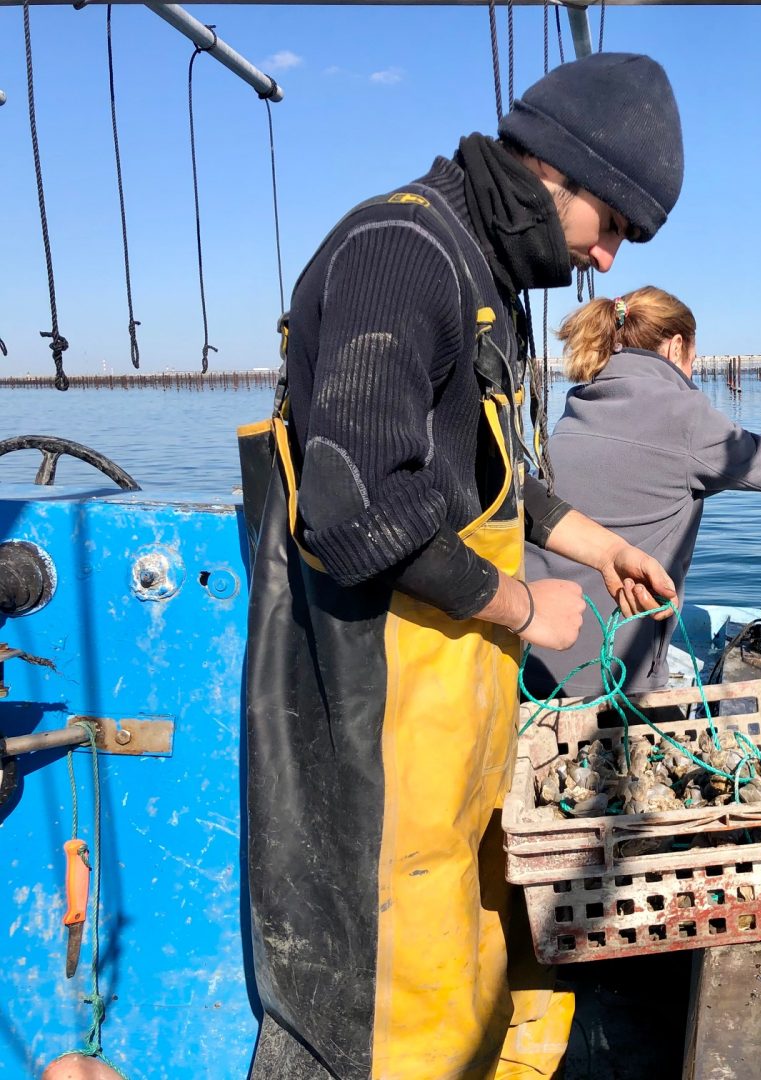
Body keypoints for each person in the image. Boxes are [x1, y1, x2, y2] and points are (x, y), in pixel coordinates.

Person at [241, 54, 683, 1080]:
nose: (608, 263)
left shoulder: (481, 274)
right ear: (555, 172)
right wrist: (527, 606)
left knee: (472, 986)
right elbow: (354, 518)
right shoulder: (399, 250)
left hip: (453, 733)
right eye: (611, 224)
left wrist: (599, 546)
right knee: (374, 1012)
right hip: (371, 739)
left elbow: (492, 480)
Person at [523, 286, 761, 699]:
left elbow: (656, 475)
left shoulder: (582, 403)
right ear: (676, 346)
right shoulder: (681, 413)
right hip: (609, 679)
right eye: (694, 360)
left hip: (532, 659)